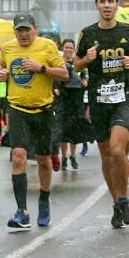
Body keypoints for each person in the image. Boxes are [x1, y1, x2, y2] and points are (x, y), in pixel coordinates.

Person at [73, 0, 129, 227]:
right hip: (99, 100)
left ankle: (123, 200)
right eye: (102, 1)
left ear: (117, 5)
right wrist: (87, 59)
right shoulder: (87, 34)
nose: (106, 5)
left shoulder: (127, 30)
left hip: (124, 98)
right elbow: (76, 65)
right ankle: (117, 204)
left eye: (110, 1)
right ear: (96, 5)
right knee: (106, 154)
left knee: (116, 149)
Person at [0, 14, 69, 230]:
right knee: (19, 157)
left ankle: (44, 201)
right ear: (14, 31)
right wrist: (1, 72)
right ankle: (22, 211)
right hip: (17, 110)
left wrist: (41, 68)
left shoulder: (47, 46)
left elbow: (64, 74)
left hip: (43, 111)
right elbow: (0, 66)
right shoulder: (8, 48)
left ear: (35, 29)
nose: (24, 34)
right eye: (20, 30)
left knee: (44, 159)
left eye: (27, 29)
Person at [55, 38, 91, 170]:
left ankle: (73, 156)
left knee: (74, 130)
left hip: (76, 102)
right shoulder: (58, 62)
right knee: (63, 131)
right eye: (66, 47)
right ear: (62, 48)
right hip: (63, 101)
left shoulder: (78, 63)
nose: (68, 50)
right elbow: (54, 78)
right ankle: (64, 157)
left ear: (74, 49)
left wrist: (84, 81)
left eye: (71, 48)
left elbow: (85, 76)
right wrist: (56, 88)